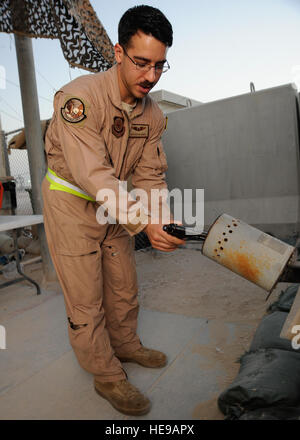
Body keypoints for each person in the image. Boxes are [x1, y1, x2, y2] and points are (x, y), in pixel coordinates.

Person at [42, 5, 184, 416]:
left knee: (122, 284)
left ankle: (126, 346)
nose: (151, 77)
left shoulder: (152, 115)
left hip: (114, 207)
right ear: (119, 53)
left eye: (160, 66)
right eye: (141, 63)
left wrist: (160, 218)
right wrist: (142, 221)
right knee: (86, 298)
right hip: (72, 201)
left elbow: (151, 174)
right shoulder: (78, 99)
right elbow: (94, 175)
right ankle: (106, 374)